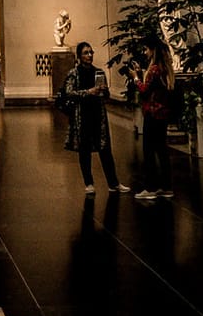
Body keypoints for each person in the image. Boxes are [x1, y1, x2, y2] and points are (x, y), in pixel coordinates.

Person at [60, 42, 126, 195]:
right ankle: (88, 182)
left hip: (97, 114)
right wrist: (88, 92)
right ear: (79, 56)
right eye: (86, 53)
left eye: (91, 52)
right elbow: (69, 92)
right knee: (85, 150)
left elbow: (106, 96)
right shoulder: (73, 73)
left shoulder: (99, 72)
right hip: (82, 115)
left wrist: (104, 91)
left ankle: (113, 182)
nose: (89, 55)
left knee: (105, 149)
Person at [133, 38, 175, 201]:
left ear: (152, 50)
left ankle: (150, 187)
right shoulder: (165, 69)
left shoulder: (154, 70)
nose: (144, 52)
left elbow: (144, 90)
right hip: (163, 114)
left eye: (146, 49)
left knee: (149, 150)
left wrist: (136, 78)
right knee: (162, 150)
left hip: (152, 114)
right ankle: (166, 187)